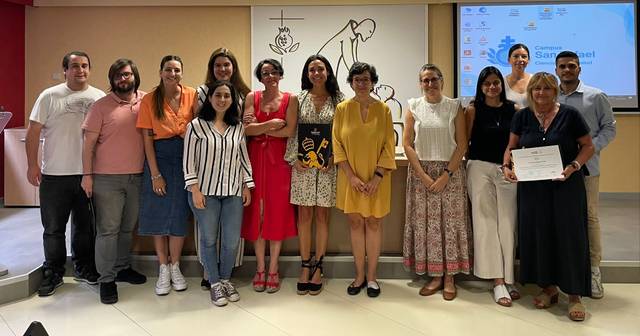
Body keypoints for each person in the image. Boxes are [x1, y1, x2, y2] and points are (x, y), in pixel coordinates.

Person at [502, 72, 594, 321]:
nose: (541, 93)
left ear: (555, 91)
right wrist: (507, 167)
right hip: (533, 189)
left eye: (547, 89)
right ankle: (549, 288)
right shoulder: (522, 117)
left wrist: (574, 165)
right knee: (539, 235)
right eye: (536, 89)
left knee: (569, 236)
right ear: (530, 92)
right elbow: (511, 148)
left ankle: (574, 295)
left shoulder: (570, 115)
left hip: (566, 186)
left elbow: (588, 146)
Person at [25, 51, 104, 297]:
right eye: (74, 66)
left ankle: (83, 268)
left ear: (89, 69)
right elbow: (33, 132)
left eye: (84, 66)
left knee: (85, 228)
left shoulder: (99, 97)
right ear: (65, 71)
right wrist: (32, 165)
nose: (80, 70)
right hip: (54, 175)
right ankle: (54, 272)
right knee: (53, 229)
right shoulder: (49, 96)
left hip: (87, 175)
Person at [81, 58, 148, 304]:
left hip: (137, 177)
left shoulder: (146, 101)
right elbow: (87, 145)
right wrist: (87, 176)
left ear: (134, 76)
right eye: (118, 75)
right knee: (108, 230)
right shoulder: (100, 106)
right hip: (106, 179)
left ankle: (122, 267)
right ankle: (106, 279)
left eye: (127, 74)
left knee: (127, 227)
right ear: (112, 80)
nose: (123, 79)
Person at [402, 64, 471, 301]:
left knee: (449, 226)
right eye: (425, 80)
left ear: (442, 81)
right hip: (422, 174)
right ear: (420, 83)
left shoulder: (454, 107)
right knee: (427, 227)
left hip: (450, 173)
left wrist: (445, 175)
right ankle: (435, 276)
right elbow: (408, 144)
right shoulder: (413, 107)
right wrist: (423, 175)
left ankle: (450, 276)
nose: (429, 84)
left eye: (434, 79)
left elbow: (462, 144)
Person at [184, 80, 254, 307]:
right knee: (209, 239)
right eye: (218, 95)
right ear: (210, 98)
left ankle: (225, 279)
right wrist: (194, 189)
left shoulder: (237, 127)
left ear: (232, 100)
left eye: (227, 96)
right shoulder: (196, 126)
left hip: (233, 191)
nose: (222, 99)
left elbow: (244, 158)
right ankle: (214, 283)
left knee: (232, 241)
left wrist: (246, 185)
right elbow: (188, 162)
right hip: (205, 192)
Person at [555, 51, 616, 299]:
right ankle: (561, 271)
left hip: (587, 168)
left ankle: (593, 272)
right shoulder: (548, 95)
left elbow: (610, 128)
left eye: (572, 66)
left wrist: (587, 151)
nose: (567, 70)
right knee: (560, 218)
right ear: (556, 70)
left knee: (589, 218)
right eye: (562, 66)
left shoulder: (595, 96)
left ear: (579, 69)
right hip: (556, 170)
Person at [333, 62, 396, 298]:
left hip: (377, 179)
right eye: (357, 79)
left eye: (366, 79)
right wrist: (351, 176)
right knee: (356, 224)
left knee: (374, 224)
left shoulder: (384, 110)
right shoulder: (342, 109)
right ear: (351, 82)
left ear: (373, 82)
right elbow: (337, 145)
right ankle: (358, 276)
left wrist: (377, 177)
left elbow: (389, 145)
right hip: (351, 179)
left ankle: (372, 278)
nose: (361, 83)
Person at [136, 55, 196, 296]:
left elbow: (202, 124)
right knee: (159, 215)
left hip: (186, 156)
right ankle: (162, 267)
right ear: (160, 72)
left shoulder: (193, 95)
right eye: (168, 70)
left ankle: (176, 266)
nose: (173, 74)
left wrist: (188, 136)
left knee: (180, 214)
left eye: (177, 70)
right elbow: (147, 139)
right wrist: (155, 174)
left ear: (182, 72)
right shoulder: (150, 99)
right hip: (159, 157)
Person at [284, 55, 344, 295]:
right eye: (312, 69)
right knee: (304, 216)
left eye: (320, 69)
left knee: (322, 217)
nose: (316, 73)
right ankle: (305, 265)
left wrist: (334, 156)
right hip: (303, 167)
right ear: (306, 74)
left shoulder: (339, 100)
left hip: (328, 167)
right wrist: (293, 158)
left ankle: (319, 265)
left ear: (328, 72)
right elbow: (292, 131)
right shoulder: (298, 99)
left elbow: (342, 134)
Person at [194, 48, 252, 290]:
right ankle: (210, 273)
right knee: (207, 231)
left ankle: (226, 274)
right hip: (207, 165)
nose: (223, 69)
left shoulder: (245, 94)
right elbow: (199, 124)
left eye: (227, 65)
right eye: (218, 65)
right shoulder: (201, 92)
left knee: (230, 233)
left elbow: (246, 128)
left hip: (234, 163)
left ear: (234, 67)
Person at [242, 59, 299, 293]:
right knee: (257, 212)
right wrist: (273, 124)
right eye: (265, 73)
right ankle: (260, 268)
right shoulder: (251, 97)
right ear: (260, 76)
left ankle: (273, 269)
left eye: (274, 72)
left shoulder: (290, 99)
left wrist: (261, 127)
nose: (270, 76)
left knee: (276, 213)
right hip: (255, 160)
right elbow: (246, 129)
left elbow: (290, 130)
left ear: (280, 75)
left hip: (280, 163)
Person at [464, 66, 519, 306]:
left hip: (506, 170)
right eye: (487, 83)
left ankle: (510, 277)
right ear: (480, 86)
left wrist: (513, 165)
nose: (492, 87)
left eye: (496, 82)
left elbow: (517, 142)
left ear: (501, 85)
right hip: (479, 168)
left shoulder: (514, 110)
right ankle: (497, 281)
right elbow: (464, 141)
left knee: (507, 224)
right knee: (486, 224)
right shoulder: (472, 110)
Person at [504, 43, 531, 108]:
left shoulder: (535, 80)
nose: (520, 59)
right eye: (516, 56)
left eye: (524, 56)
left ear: (528, 60)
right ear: (509, 60)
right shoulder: (502, 82)